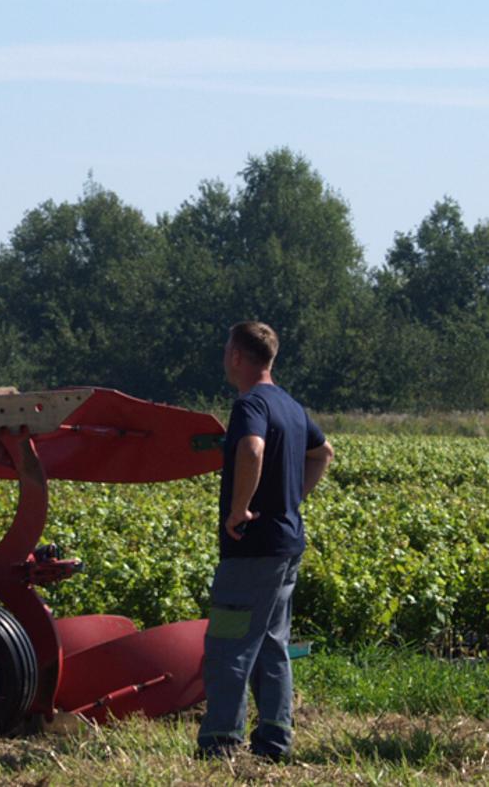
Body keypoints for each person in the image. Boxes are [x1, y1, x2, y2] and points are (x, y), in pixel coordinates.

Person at [196, 321, 333, 761]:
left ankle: (221, 742)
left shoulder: (250, 403)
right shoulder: (289, 405)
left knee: (229, 645)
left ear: (237, 355)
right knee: (273, 645)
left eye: (225, 349)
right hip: (286, 545)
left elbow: (251, 449)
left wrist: (241, 508)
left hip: (252, 548)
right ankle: (275, 741)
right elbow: (323, 452)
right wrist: (291, 501)